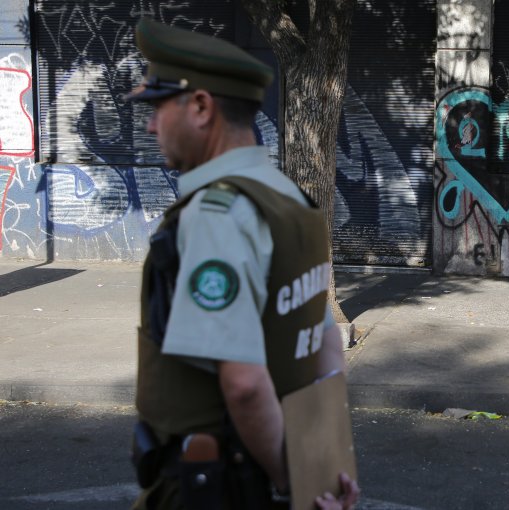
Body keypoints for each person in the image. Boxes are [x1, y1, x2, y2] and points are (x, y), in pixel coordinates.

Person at [125, 18, 359, 510]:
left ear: (201, 107)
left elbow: (245, 385)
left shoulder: (219, 214)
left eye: (157, 107)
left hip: (215, 487)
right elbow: (325, 344)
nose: (149, 125)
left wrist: (288, 482)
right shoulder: (290, 198)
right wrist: (325, 469)